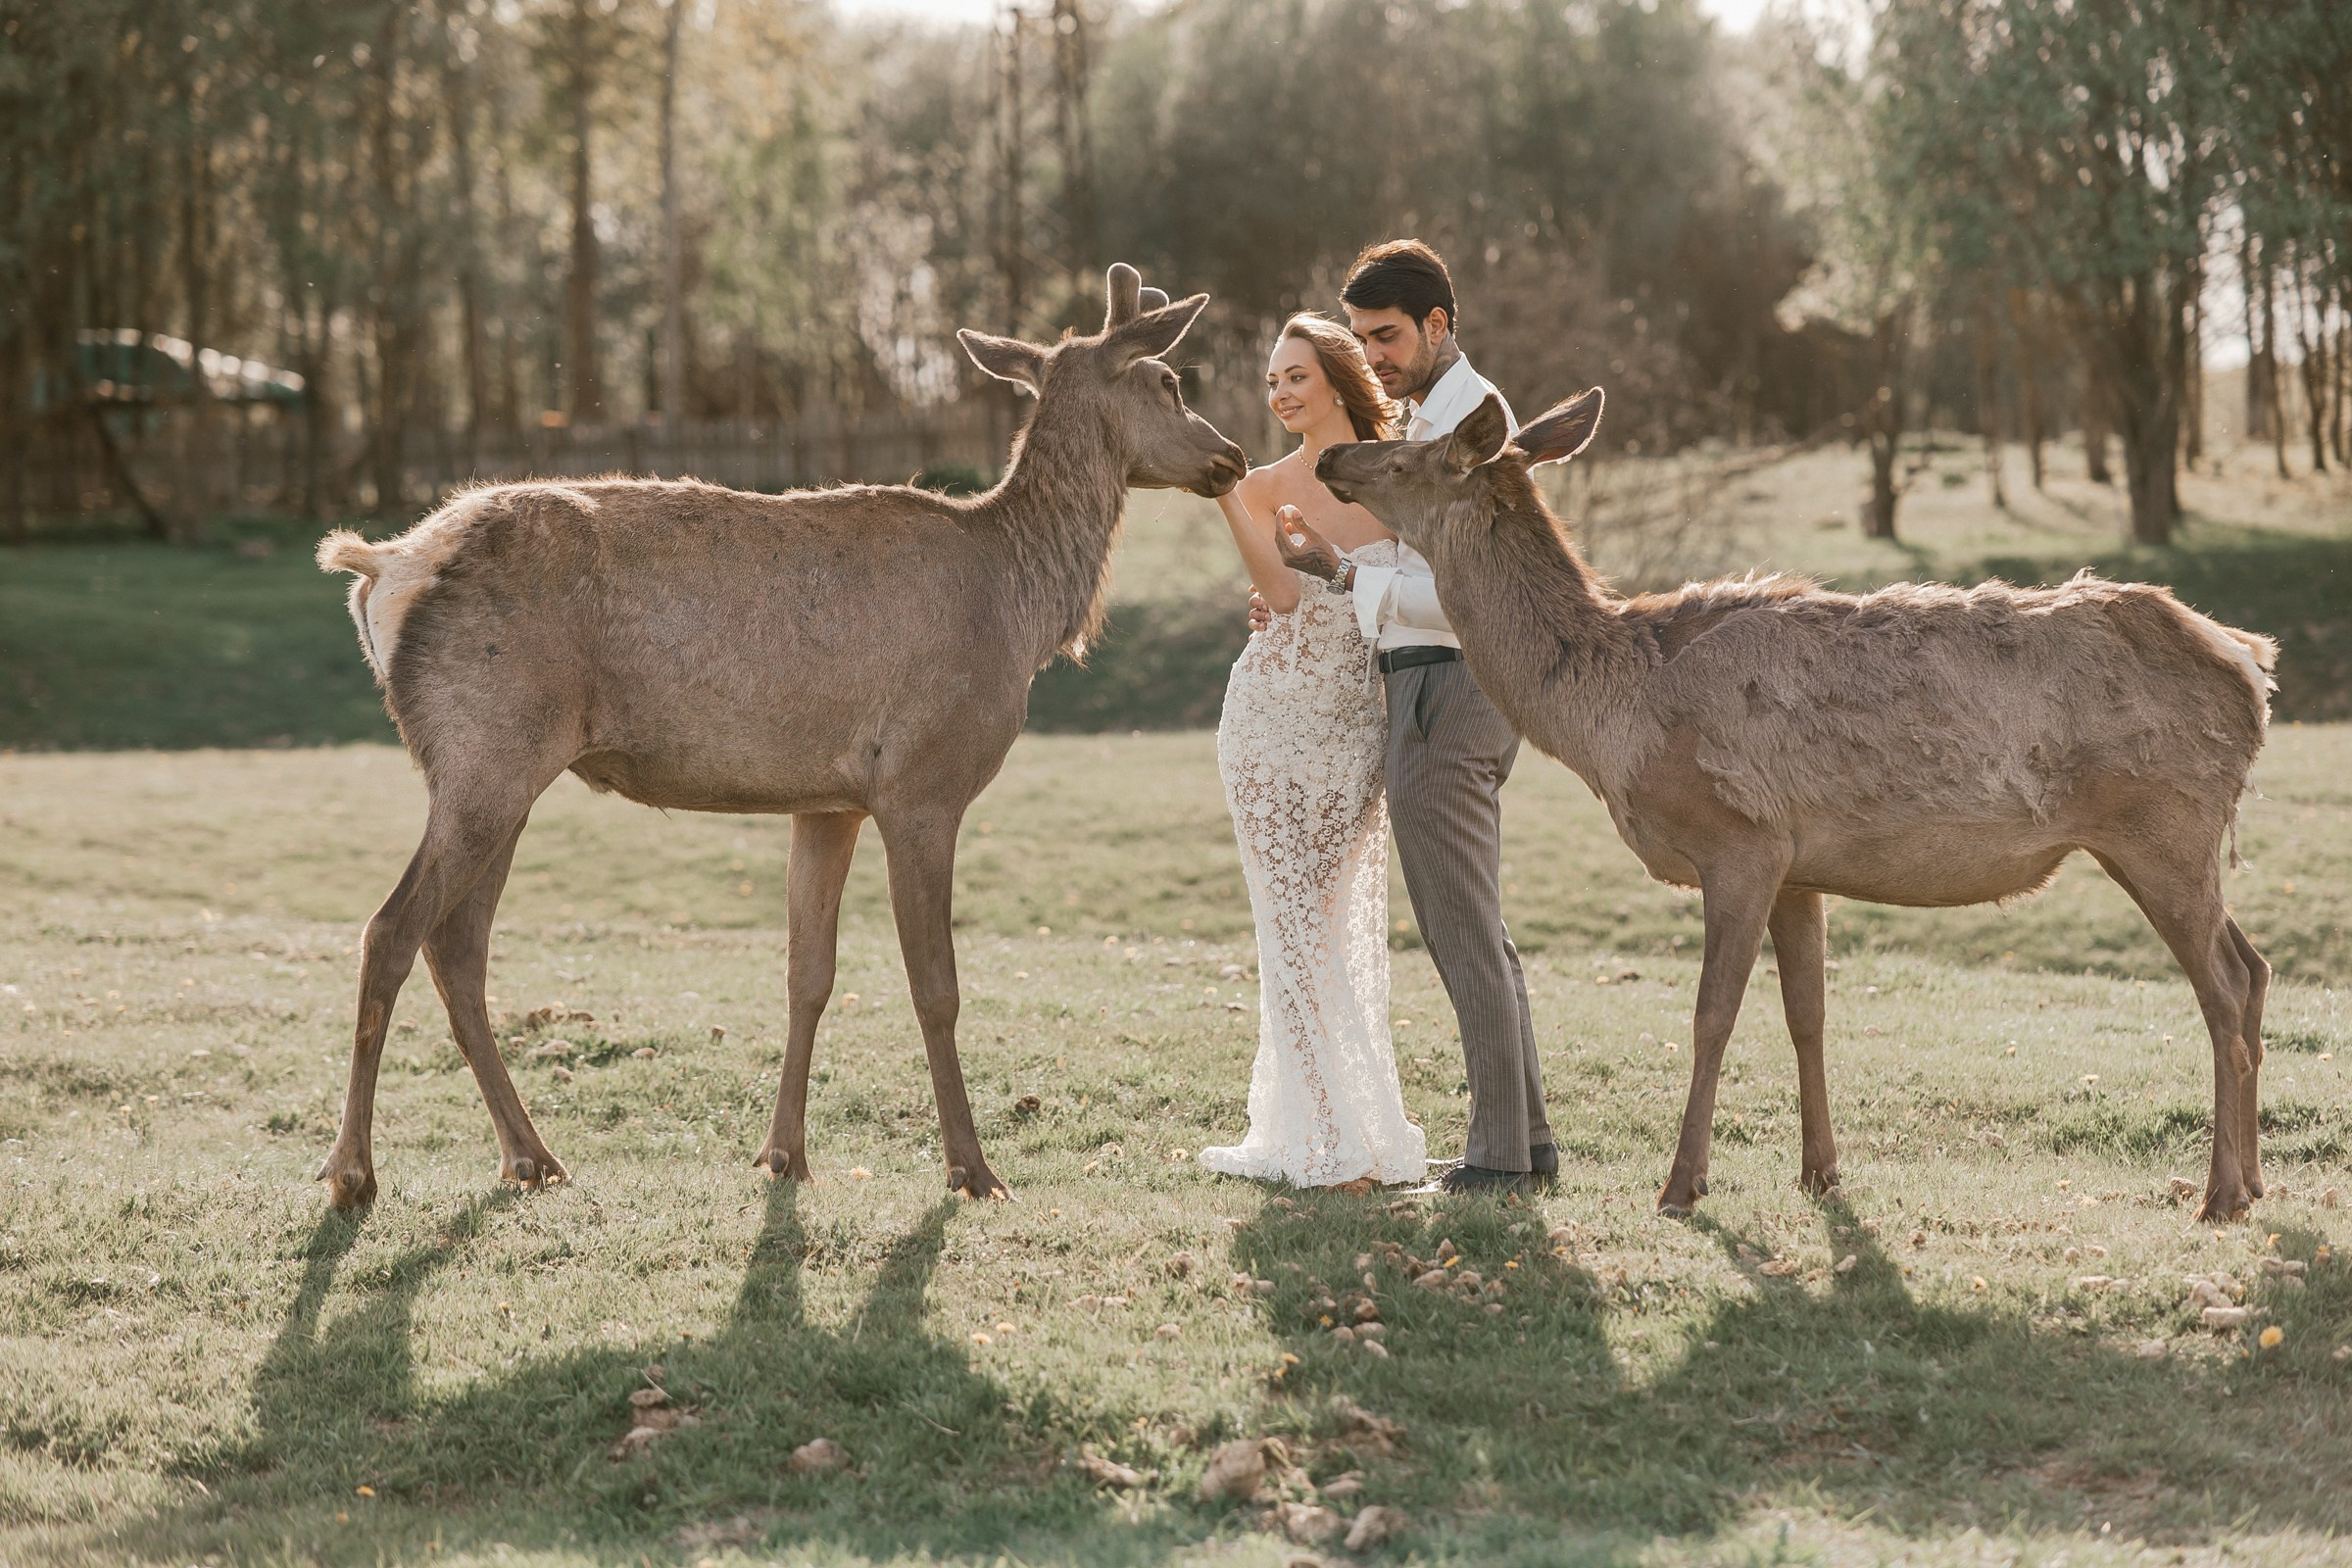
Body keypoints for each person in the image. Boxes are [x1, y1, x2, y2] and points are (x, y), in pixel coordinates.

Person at [1267, 239, 1556, 1196]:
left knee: (1460, 928)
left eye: (1387, 335)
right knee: (1474, 924)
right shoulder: (1432, 414)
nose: (1374, 355)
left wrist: (1349, 582)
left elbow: (1463, 590)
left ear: (1440, 323)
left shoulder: (1468, 422)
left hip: (1450, 684)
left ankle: (1498, 1160)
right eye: (1360, 338)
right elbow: (1422, 573)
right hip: (1432, 678)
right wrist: (1338, 570)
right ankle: (1528, 1140)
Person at [1197, 314, 1427, 1188]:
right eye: (1271, 381)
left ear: (1335, 378)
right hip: (1266, 718)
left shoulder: (1396, 475)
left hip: (1352, 729)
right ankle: (1326, 1136)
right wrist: (1224, 494)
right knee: (1289, 925)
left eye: (1295, 375)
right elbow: (1282, 601)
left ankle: (1334, 1127)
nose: (1281, 393)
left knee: (1322, 922)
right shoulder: (1258, 486)